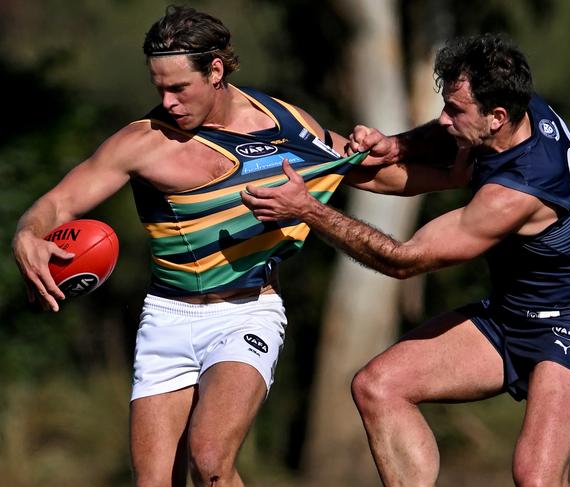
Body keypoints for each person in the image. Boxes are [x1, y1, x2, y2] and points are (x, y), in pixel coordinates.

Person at [10, 5, 409, 487]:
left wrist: (393, 146)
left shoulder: (281, 120)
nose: (169, 102)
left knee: (209, 458)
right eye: (159, 88)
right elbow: (57, 203)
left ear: (216, 70)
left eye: (180, 88)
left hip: (246, 313)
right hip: (167, 319)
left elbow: (373, 170)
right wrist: (28, 234)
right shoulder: (143, 142)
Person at [241, 33, 570, 487]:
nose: (443, 119)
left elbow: (405, 260)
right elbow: (447, 157)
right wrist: (395, 145)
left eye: (455, 110)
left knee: (536, 477)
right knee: (379, 387)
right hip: (509, 316)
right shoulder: (518, 109)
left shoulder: (516, 193)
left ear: (497, 117)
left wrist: (307, 210)